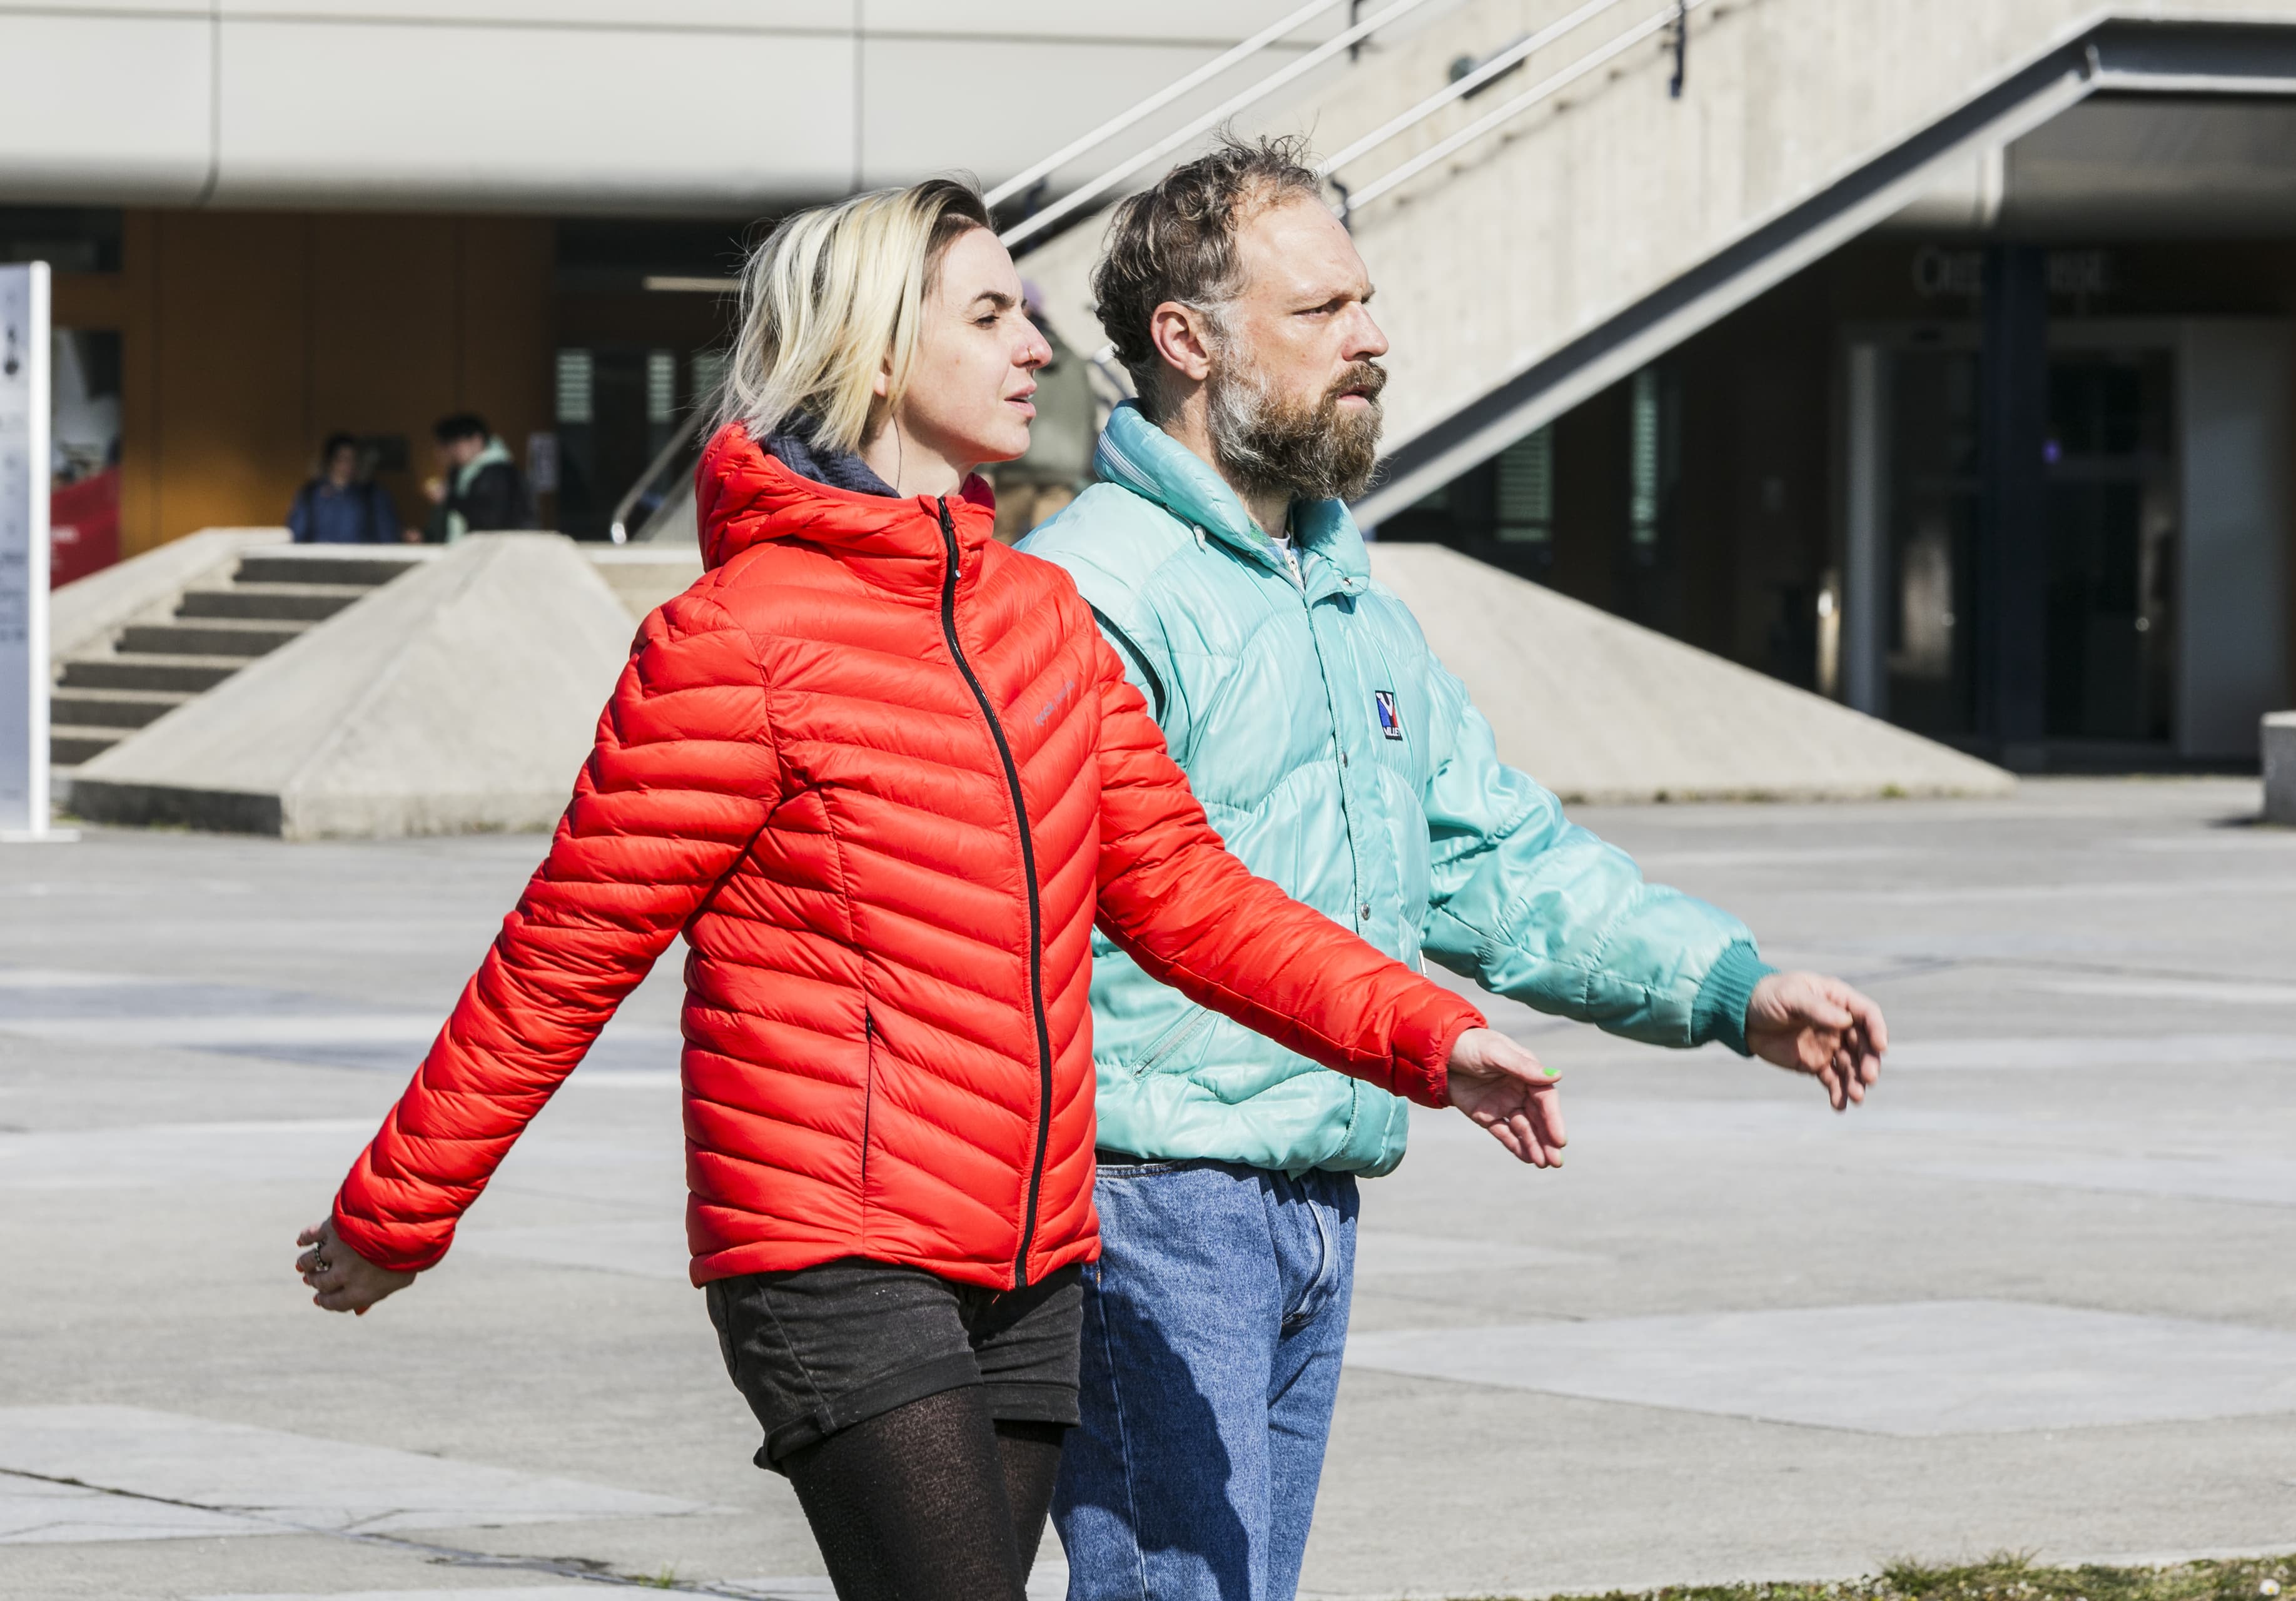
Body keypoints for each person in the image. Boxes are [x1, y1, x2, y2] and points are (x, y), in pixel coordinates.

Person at [291, 179, 1567, 1601]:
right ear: (879, 351)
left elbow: (1192, 896)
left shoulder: (1040, 622)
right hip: (833, 1253)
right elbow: (564, 954)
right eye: (990, 315)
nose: (1035, 347)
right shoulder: (735, 644)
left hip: (1029, 1258)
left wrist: (1427, 1035)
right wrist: (398, 1209)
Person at [1016, 136, 1892, 1601]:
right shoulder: (1090, 594)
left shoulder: (1348, 597)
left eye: (1366, 301)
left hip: (1315, 1193)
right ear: (1186, 340)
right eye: (1321, 311)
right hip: (1151, 1198)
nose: (1371, 338)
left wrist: (1728, 986)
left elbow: (1492, 857)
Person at [419, 412, 534, 540]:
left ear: (476, 440)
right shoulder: (462, 473)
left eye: (456, 444)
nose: (453, 451)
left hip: (499, 548)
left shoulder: (498, 473)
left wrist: (448, 499)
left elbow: (487, 519)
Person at [286, 432, 399, 544]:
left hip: (360, 555)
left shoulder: (372, 494)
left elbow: (388, 536)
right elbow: (298, 534)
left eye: (353, 459)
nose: (349, 465)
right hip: (321, 555)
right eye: (343, 459)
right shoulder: (310, 494)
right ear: (331, 461)